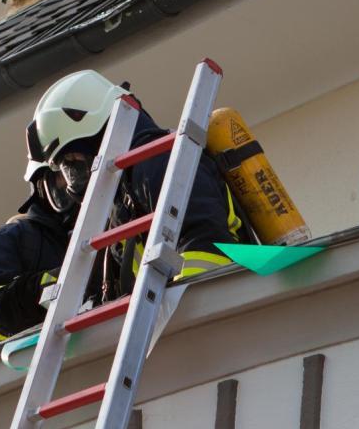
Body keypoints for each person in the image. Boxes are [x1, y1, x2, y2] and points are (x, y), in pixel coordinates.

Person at [26, 70, 243, 298]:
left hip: (227, 295)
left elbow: (203, 239)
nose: (73, 178)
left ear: (95, 140)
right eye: (64, 167)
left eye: (72, 161)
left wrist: (181, 307)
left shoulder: (157, 160)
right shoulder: (121, 197)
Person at [0, 161, 74, 346]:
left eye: (82, 168)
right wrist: (43, 288)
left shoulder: (113, 223)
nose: (72, 182)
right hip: (51, 356)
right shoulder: (17, 236)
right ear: (42, 185)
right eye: (64, 173)